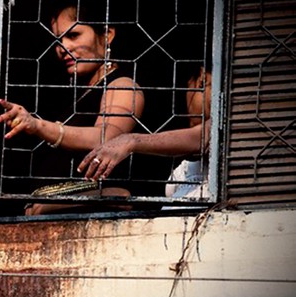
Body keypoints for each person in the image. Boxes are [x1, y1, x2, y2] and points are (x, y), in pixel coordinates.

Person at [0, 0, 145, 215]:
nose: (63, 48)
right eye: (59, 40)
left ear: (107, 35)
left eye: (73, 35)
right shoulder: (81, 96)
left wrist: (38, 126)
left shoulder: (122, 85)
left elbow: (108, 138)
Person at [77, 65, 214, 203]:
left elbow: (199, 137)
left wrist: (130, 141)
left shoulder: (227, 117)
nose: (206, 117)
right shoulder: (185, 166)